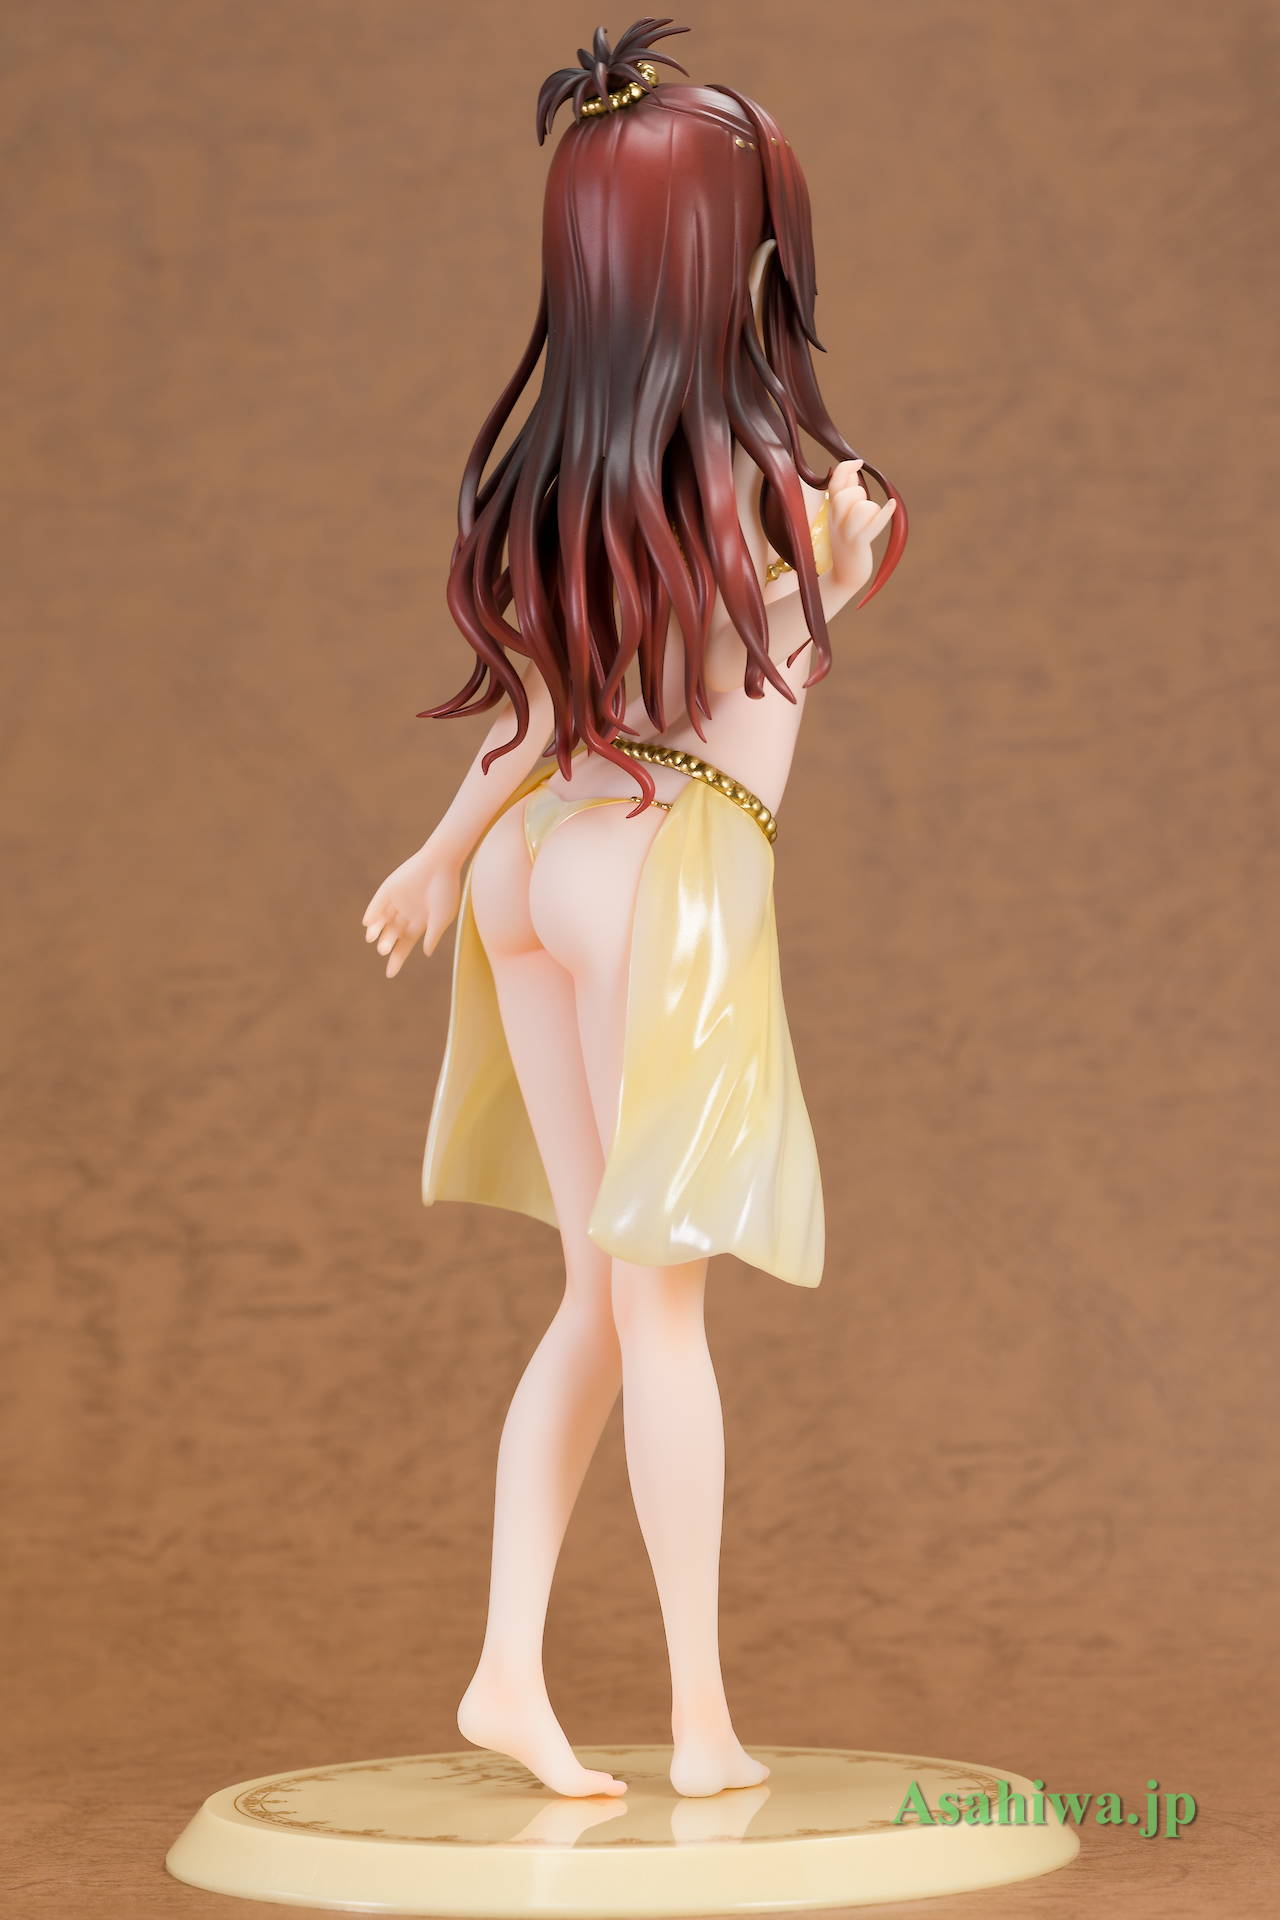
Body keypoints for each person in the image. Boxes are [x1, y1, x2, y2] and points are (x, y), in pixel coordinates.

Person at [362, 17, 905, 1799]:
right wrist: (831, 571)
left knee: (595, 1300)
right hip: (669, 868)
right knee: (661, 1314)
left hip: (537, 862)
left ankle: (505, 1673)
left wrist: (445, 854)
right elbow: (735, 681)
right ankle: (698, 1723)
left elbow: (536, 708)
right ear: (729, 257)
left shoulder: (566, 472)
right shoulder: (780, 481)